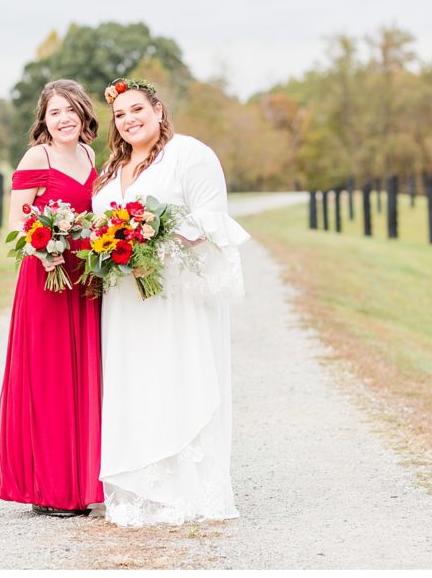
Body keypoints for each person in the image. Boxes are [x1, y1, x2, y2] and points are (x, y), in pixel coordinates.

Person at [91, 77, 250, 527]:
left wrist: (153, 232)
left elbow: (212, 220)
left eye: (137, 109)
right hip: (124, 300)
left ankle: (185, 490)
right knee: (133, 382)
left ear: (158, 110)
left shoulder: (190, 154)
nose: (128, 120)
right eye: (120, 115)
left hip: (174, 296)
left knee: (175, 377)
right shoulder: (112, 168)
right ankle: (139, 485)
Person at [0, 79, 103, 517]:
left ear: (84, 115)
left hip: (85, 278)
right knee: (50, 376)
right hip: (47, 277)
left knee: (83, 375)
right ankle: (48, 488)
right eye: (56, 112)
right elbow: (18, 224)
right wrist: (49, 248)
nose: (65, 119)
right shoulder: (36, 157)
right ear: (44, 118)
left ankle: (80, 485)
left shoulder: (91, 156)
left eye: (72, 110)